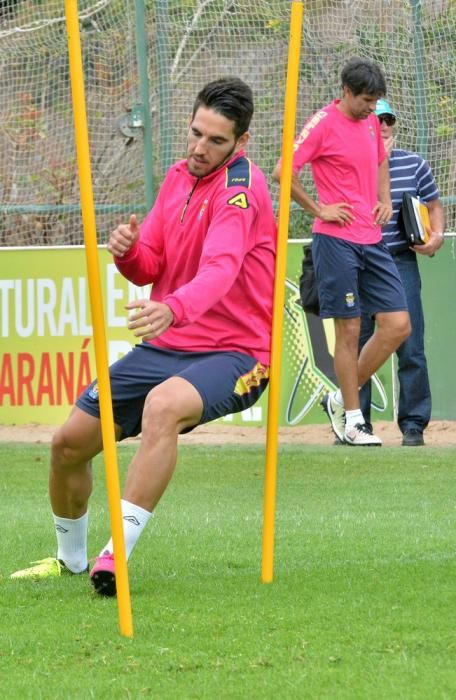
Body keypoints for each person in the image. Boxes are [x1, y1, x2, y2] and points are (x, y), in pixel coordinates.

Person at [11, 77, 277, 595]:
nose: (200, 148)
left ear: (240, 143)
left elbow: (222, 268)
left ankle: (116, 556)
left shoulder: (240, 191)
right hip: (169, 346)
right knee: (68, 444)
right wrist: (128, 250)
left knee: (162, 406)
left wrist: (173, 307)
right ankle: (68, 561)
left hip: (238, 352)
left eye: (216, 141)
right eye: (196, 133)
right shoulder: (179, 178)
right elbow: (151, 263)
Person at [272, 57, 411, 446]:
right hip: (335, 241)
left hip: (372, 238)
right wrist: (319, 209)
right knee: (348, 331)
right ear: (346, 91)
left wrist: (384, 199)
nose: (372, 108)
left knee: (398, 324)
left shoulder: (370, 121)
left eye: (376, 101)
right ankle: (353, 419)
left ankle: (337, 398)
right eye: (366, 99)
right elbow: (284, 171)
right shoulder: (323, 124)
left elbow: (381, 160)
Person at [359, 98, 445, 446]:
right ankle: (355, 423)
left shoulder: (415, 164)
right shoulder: (348, 166)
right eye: (377, 119)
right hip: (359, 260)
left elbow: (434, 206)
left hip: (400, 260)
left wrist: (435, 238)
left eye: (388, 120)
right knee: (358, 343)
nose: (383, 126)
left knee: (410, 344)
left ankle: (413, 426)